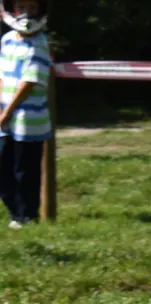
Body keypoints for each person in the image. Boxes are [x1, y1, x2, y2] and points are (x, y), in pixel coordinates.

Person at [0, 0, 50, 228]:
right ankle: (15, 212)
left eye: (33, 8)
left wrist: (6, 113)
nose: (27, 15)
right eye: (22, 8)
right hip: (5, 116)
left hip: (28, 120)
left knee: (25, 170)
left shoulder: (39, 43)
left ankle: (27, 216)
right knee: (4, 166)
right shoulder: (7, 40)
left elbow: (28, 82)